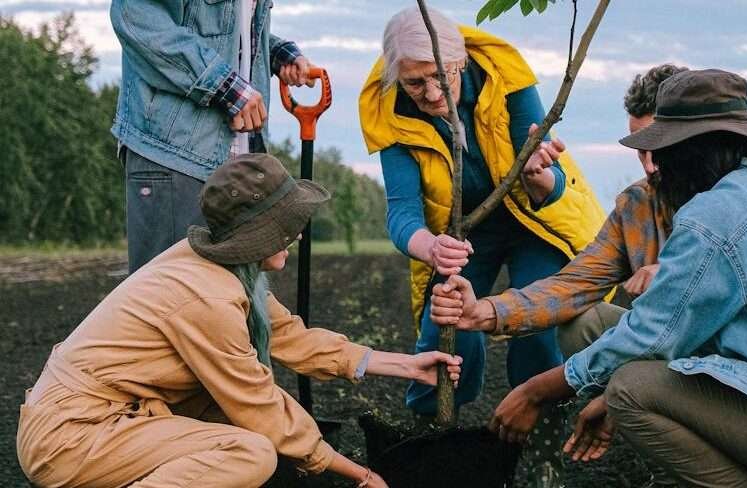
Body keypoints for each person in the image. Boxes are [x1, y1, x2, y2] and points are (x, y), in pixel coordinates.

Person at [433, 69, 747, 487]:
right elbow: (579, 284)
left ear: (690, 151)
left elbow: (650, 337)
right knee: (616, 359)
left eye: (660, 149)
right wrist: (487, 311)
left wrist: (537, 391)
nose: (653, 165)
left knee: (632, 389)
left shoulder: (713, 214)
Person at [16, 154, 463, 488]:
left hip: (114, 417)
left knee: (237, 427)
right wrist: (358, 474)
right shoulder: (205, 296)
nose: (298, 233)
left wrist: (405, 365)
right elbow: (257, 401)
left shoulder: (222, 270)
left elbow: (290, 337)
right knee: (249, 454)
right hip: (71, 437)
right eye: (289, 225)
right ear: (260, 236)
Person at [358, 7, 607, 484]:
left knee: (538, 322)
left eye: (440, 78)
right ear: (396, 77)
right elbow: (402, 211)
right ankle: (431, 430)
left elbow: (551, 183)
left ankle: (540, 450)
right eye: (415, 83)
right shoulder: (388, 108)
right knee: (448, 327)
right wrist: (430, 246)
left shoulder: (506, 77)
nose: (431, 95)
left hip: (535, 222)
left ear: (462, 61)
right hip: (461, 235)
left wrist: (539, 176)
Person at [110, 0, 316, 273]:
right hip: (174, 153)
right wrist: (223, 85)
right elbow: (136, 16)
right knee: (173, 296)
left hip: (238, 158)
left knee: (229, 295)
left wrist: (276, 52)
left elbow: (227, 29)